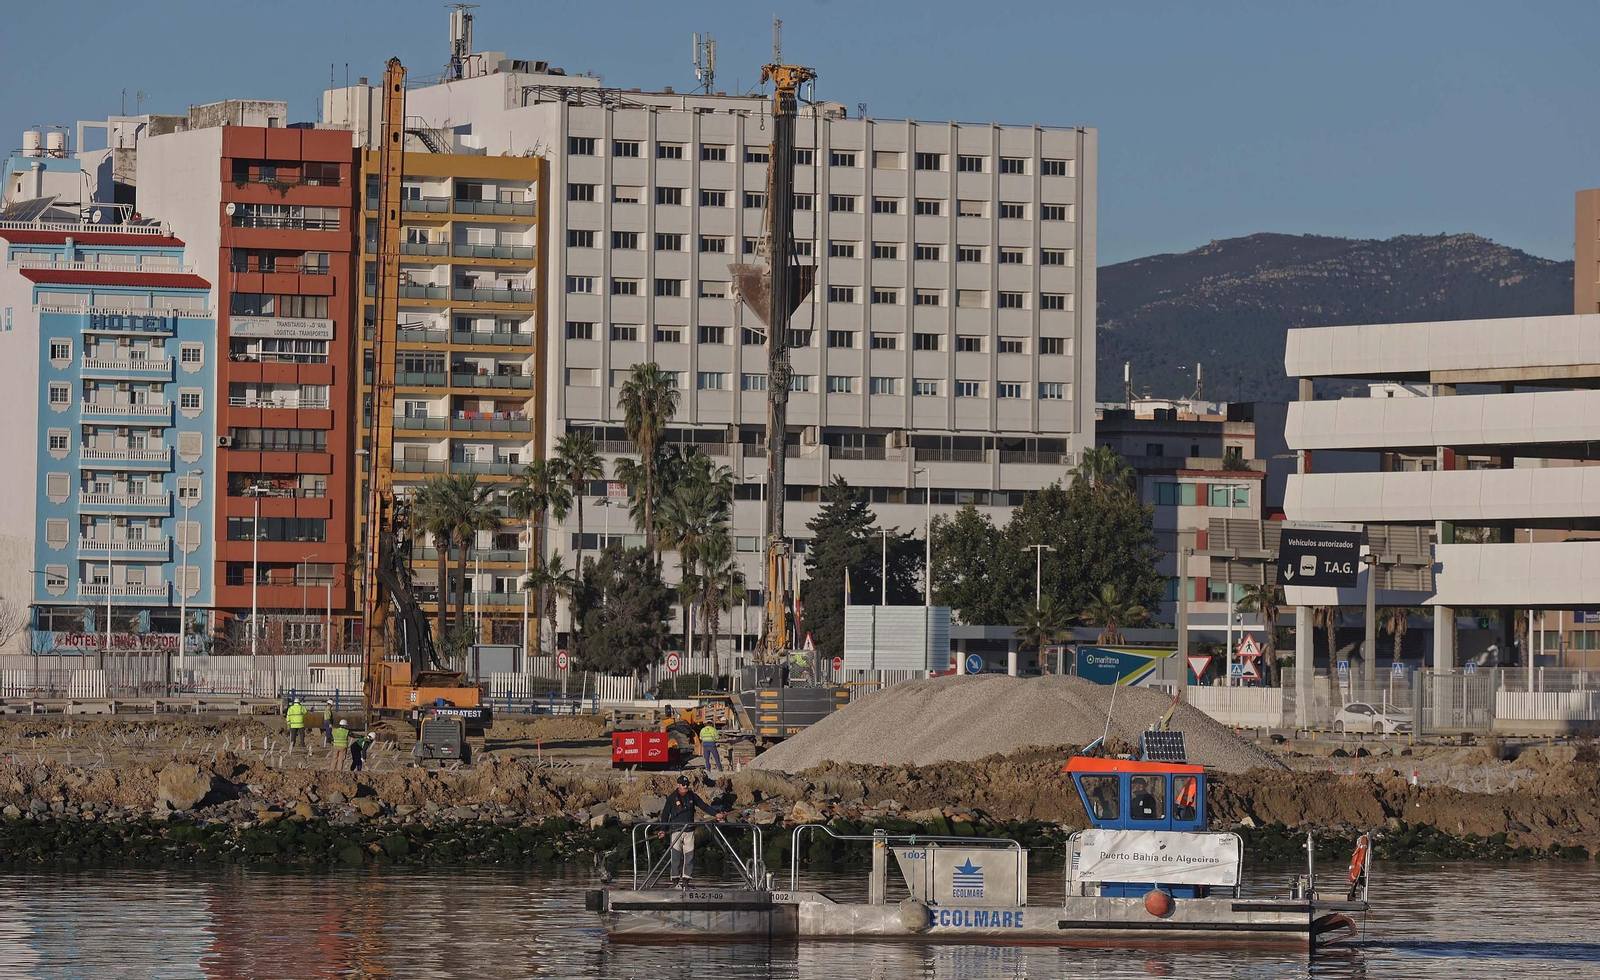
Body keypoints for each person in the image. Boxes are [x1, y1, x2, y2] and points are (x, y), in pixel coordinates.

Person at [656, 775, 723, 886]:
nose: (685, 786)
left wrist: (716, 814)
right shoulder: (672, 798)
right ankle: (675, 880)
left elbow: (704, 807)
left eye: (687, 784)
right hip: (676, 831)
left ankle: (686, 880)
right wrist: (662, 829)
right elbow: (665, 814)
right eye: (683, 784)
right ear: (678, 785)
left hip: (689, 830)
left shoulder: (692, 796)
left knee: (689, 856)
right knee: (676, 856)